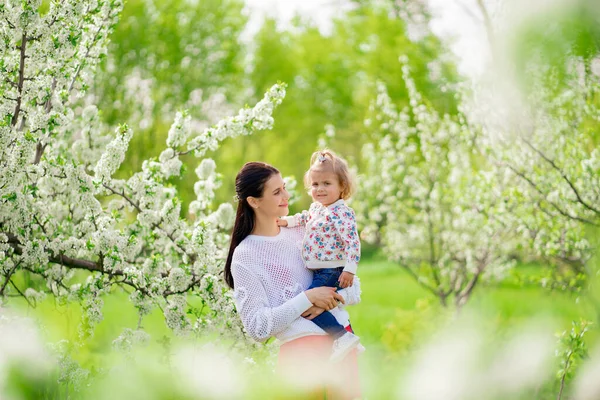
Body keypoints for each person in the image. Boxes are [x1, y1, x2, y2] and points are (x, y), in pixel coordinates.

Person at [224, 161, 361, 399]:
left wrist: (327, 298)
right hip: (301, 357)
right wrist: (307, 298)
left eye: (284, 187)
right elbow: (257, 327)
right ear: (254, 201)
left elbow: (353, 287)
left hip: (343, 345)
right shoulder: (246, 256)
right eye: (277, 192)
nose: (286, 195)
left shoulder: (304, 230)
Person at [278, 149, 362, 361]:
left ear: (342, 186)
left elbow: (352, 242)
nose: (320, 189)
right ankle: (344, 339)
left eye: (327, 183)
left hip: (333, 269)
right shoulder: (317, 208)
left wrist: (350, 269)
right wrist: (287, 222)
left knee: (305, 305)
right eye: (315, 184)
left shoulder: (341, 212)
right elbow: (304, 218)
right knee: (310, 304)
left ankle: (342, 337)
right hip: (321, 268)